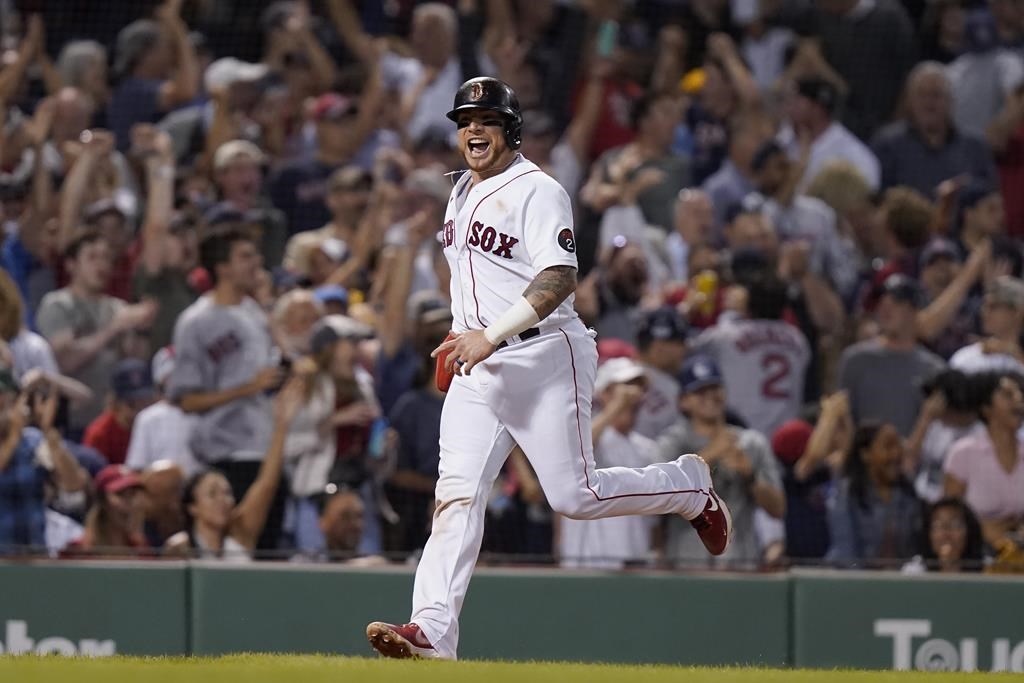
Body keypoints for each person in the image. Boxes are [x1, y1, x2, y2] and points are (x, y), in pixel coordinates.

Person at [366, 77, 731, 661]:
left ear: (510, 128)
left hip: (544, 356)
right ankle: (432, 630)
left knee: (576, 496)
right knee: (456, 494)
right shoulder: (459, 190)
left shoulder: (538, 190)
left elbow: (559, 278)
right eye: (465, 121)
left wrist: (490, 334)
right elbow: (477, 279)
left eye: (486, 120)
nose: (473, 130)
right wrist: (464, 331)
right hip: (480, 362)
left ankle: (688, 487)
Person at [167, 229, 284, 549]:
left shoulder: (255, 311)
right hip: (225, 456)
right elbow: (186, 400)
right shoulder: (196, 321)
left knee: (267, 556)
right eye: (245, 256)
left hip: (266, 449)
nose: (257, 262)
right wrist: (247, 388)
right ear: (222, 268)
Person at [656, 354, 785, 568]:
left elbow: (778, 509)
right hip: (687, 564)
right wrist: (709, 455)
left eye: (714, 388)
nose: (710, 396)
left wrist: (750, 477)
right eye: (700, 391)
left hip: (741, 563)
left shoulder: (751, 443)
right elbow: (660, 502)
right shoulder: (671, 443)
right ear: (683, 401)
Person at [35, 231, 157, 438]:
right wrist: (113, 328)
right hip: (74, 422)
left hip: (115, 423)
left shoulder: (117, 307)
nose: (101, 264)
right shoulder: (57, 304)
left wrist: (142, 329)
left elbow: (136, 358)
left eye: (106, 258)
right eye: (92, 257)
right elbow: (65, 360)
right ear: (71, 264)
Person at [164, 378, 302, 561]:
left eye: (227, 493)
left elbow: (266, 485)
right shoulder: (180, 547)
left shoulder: (241, 534)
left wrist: (282, 425)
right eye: (212, 494)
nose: (223, 500)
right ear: (193, 507)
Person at [559, 358, 659, 570]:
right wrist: (615, 406)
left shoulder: (647, 447)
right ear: (604, 392)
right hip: (589, 556)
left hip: (635, 554)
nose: (633, 393)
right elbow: (576, 452)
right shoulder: (584, 432)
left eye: (638, 386)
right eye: (625, 385)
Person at [690, 274, 810, 437]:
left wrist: (730, 313)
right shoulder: (798, 339)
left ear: (749, 303)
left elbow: (685, 350)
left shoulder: (726, 336)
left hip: (739, 435)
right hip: (785, 436)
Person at [838, 275, 945, 436]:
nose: (885, 307)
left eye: (897, 302)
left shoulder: (934, 369)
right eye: (881, 302)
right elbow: (841, 422)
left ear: (915, 311)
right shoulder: (854, 360)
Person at [0, 370, 89, 555]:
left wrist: (49, 432)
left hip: (33, 556)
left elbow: (73, 485)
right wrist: (13, 436)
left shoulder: (33, 440)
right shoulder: (17, 437)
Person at [944, 372, 1024, 551]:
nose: (1019, 400)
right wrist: (985, 531)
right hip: (976, 553)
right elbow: (949, 517)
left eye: (1021, 394)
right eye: (1008, 395)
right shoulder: (963, 453)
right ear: (986, 408)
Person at [826, 423, 923, 568]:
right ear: (865, 454)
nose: (896, 453)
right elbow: (846, 553)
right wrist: (868, 581)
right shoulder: (847, 492)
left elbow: (914, 548)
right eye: (888, 446)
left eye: (898, 446)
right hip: (852, 576)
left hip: (900, 578)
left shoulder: (907, 492)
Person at [125, 346, 199, 477]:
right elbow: (136, 467)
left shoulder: (205, 414)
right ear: (161, 379)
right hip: (160, 486)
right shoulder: (147, 418)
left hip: (199, 485)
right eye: (172, 376)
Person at [82, 359, 158, 466]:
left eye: (145, 403)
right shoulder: (99, 434)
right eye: (132, 404)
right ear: (115, 403)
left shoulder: (159, 426)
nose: (140, 411)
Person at [950, 276, 1024, 375]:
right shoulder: (967, 357)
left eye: (993, 306)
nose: (984, 312)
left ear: (1017, 312)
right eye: (984, 306)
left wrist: (1014, 354)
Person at [904, 497, 985, 573]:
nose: (946, 534)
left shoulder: (986, 569)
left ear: (969, 532)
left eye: (955, 525)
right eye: (938, 526)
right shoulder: (914, 571)